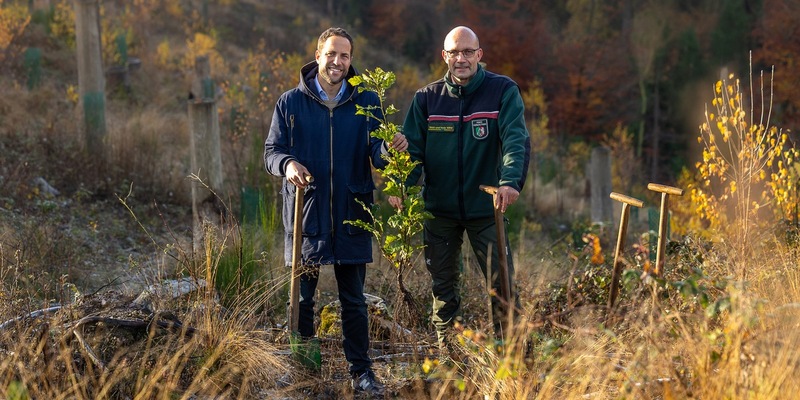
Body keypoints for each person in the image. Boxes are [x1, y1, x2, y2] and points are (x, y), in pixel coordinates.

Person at [264, 27, 407, 395]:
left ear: (350, 60)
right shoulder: (289, 103)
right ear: (317, 56)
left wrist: (390, 153)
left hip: (351, 210)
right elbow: (271, 152)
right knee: (302, 298)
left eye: (345, 56)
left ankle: (362, 372)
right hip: (306, 213)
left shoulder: (368, 102)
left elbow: (377, 152)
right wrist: (289, 164)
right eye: (331, 54)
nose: (338, 62)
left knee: (354, 301)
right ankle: (302, 369)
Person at [394, 26, 531, 354]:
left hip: (487, 211)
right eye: (454, 52)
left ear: (479, 55)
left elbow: (515, 139)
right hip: (439, 211)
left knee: (501, 288)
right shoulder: (427, 98)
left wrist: (510, 181)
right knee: (443, 291)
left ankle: (511, 359)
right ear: (444, 56)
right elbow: (411, 150)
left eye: (468, 52)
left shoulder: (502, 91)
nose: (461, 59)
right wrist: (403, 187)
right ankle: (451, 361)